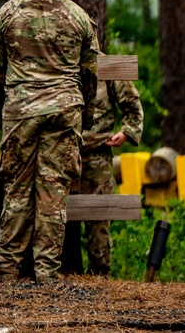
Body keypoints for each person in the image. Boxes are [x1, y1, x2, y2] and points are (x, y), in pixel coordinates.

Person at [0, 0, 97, 284]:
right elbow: (89, 75)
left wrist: (8, 105)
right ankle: (47, 271)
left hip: (21, 110)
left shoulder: (7, 14)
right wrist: (85, 115)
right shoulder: (79, 18)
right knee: (54, 191)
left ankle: (6, 268)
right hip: (65, 110)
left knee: (17, 189)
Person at [76, 74, 144, 275]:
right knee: (54, 217)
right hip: (58, 152)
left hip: (96, 153)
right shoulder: (58, 59)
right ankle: (59, 273)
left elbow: (132, 105)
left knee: (98, 218)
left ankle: (98, 275)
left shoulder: (107, 68)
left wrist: (127, 132)